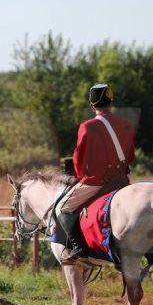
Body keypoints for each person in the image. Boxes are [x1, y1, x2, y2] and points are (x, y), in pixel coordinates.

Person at [55, 83, 135, 262]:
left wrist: (80, 176)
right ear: (111, 102)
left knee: (63, 208)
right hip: (122, 180)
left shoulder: (87, 126)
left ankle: (79, 249)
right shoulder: (126, 124)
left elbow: (79, 157)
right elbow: (130, 156)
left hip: (98, 181)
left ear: (92, 105)